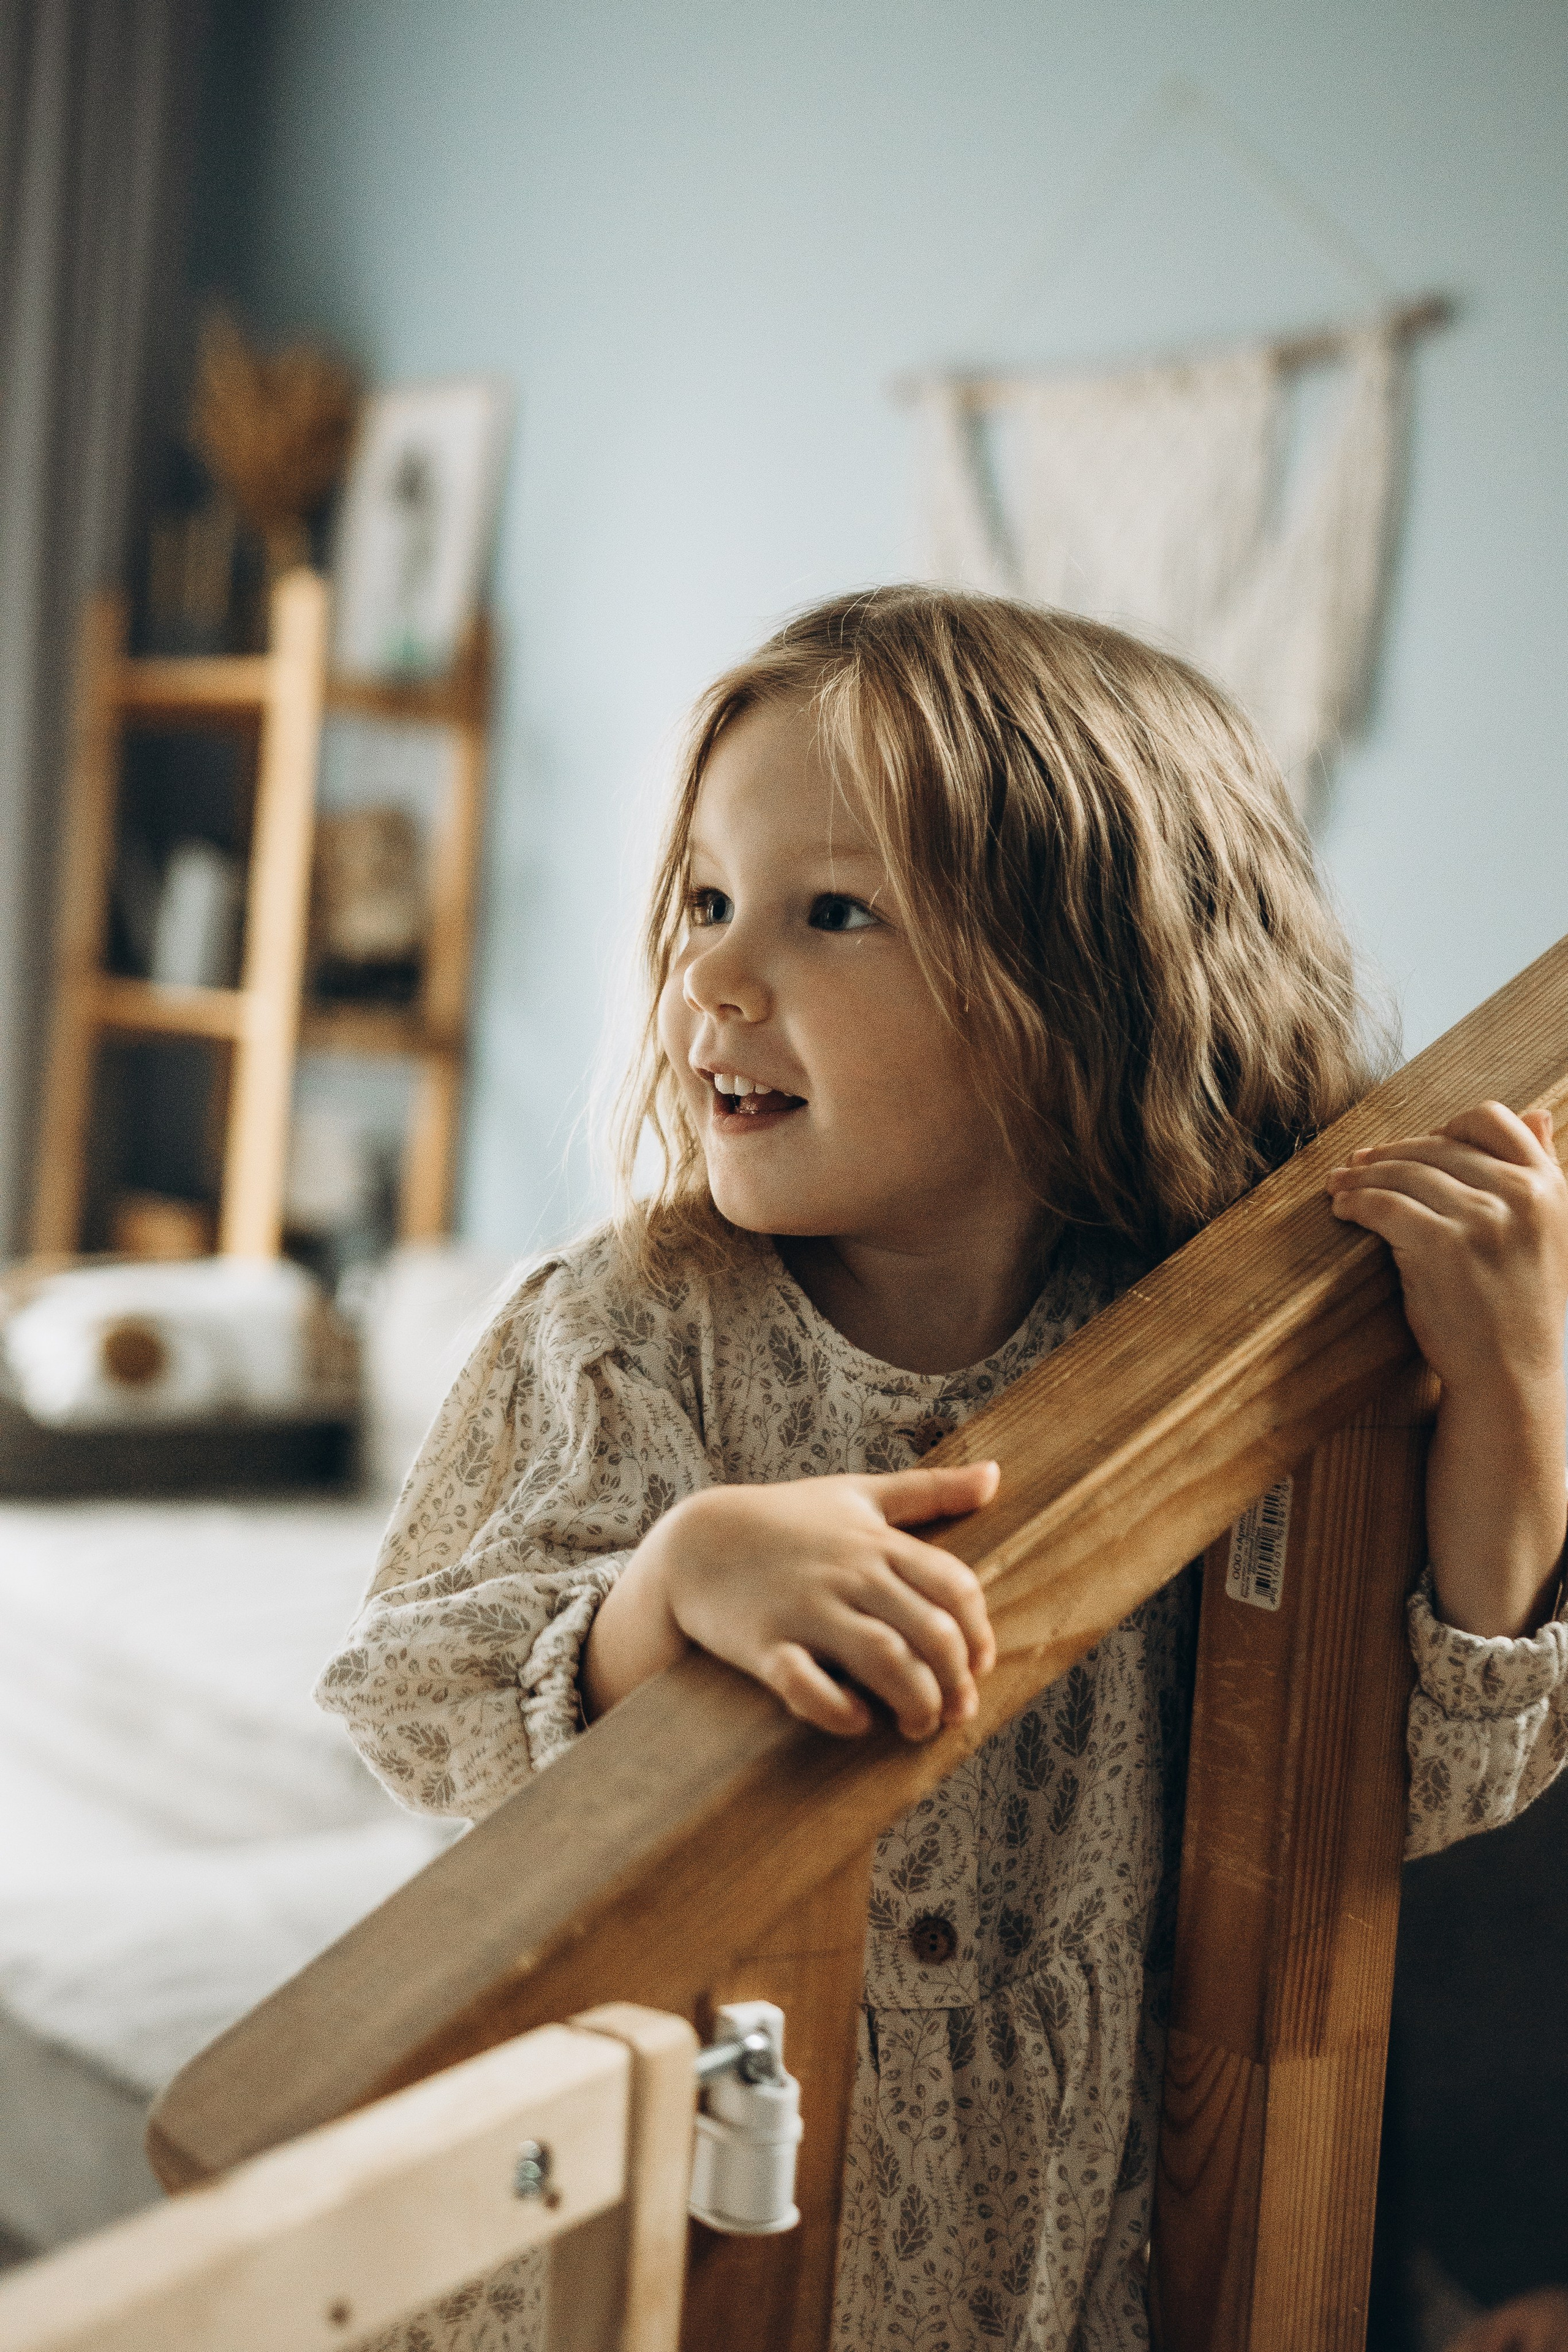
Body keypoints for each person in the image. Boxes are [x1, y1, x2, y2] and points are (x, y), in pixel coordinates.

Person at [318, 588, 1568, 2352]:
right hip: (653, 2260)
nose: (713, 977)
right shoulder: (630, 1329)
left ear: (1079, 988)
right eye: (703, 902)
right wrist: (660, 1596)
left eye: (832, 912)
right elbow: (418, 1694)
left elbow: (1420, 1780)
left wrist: (1515, 1386)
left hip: (1049, 2255)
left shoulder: (1214, 1371)